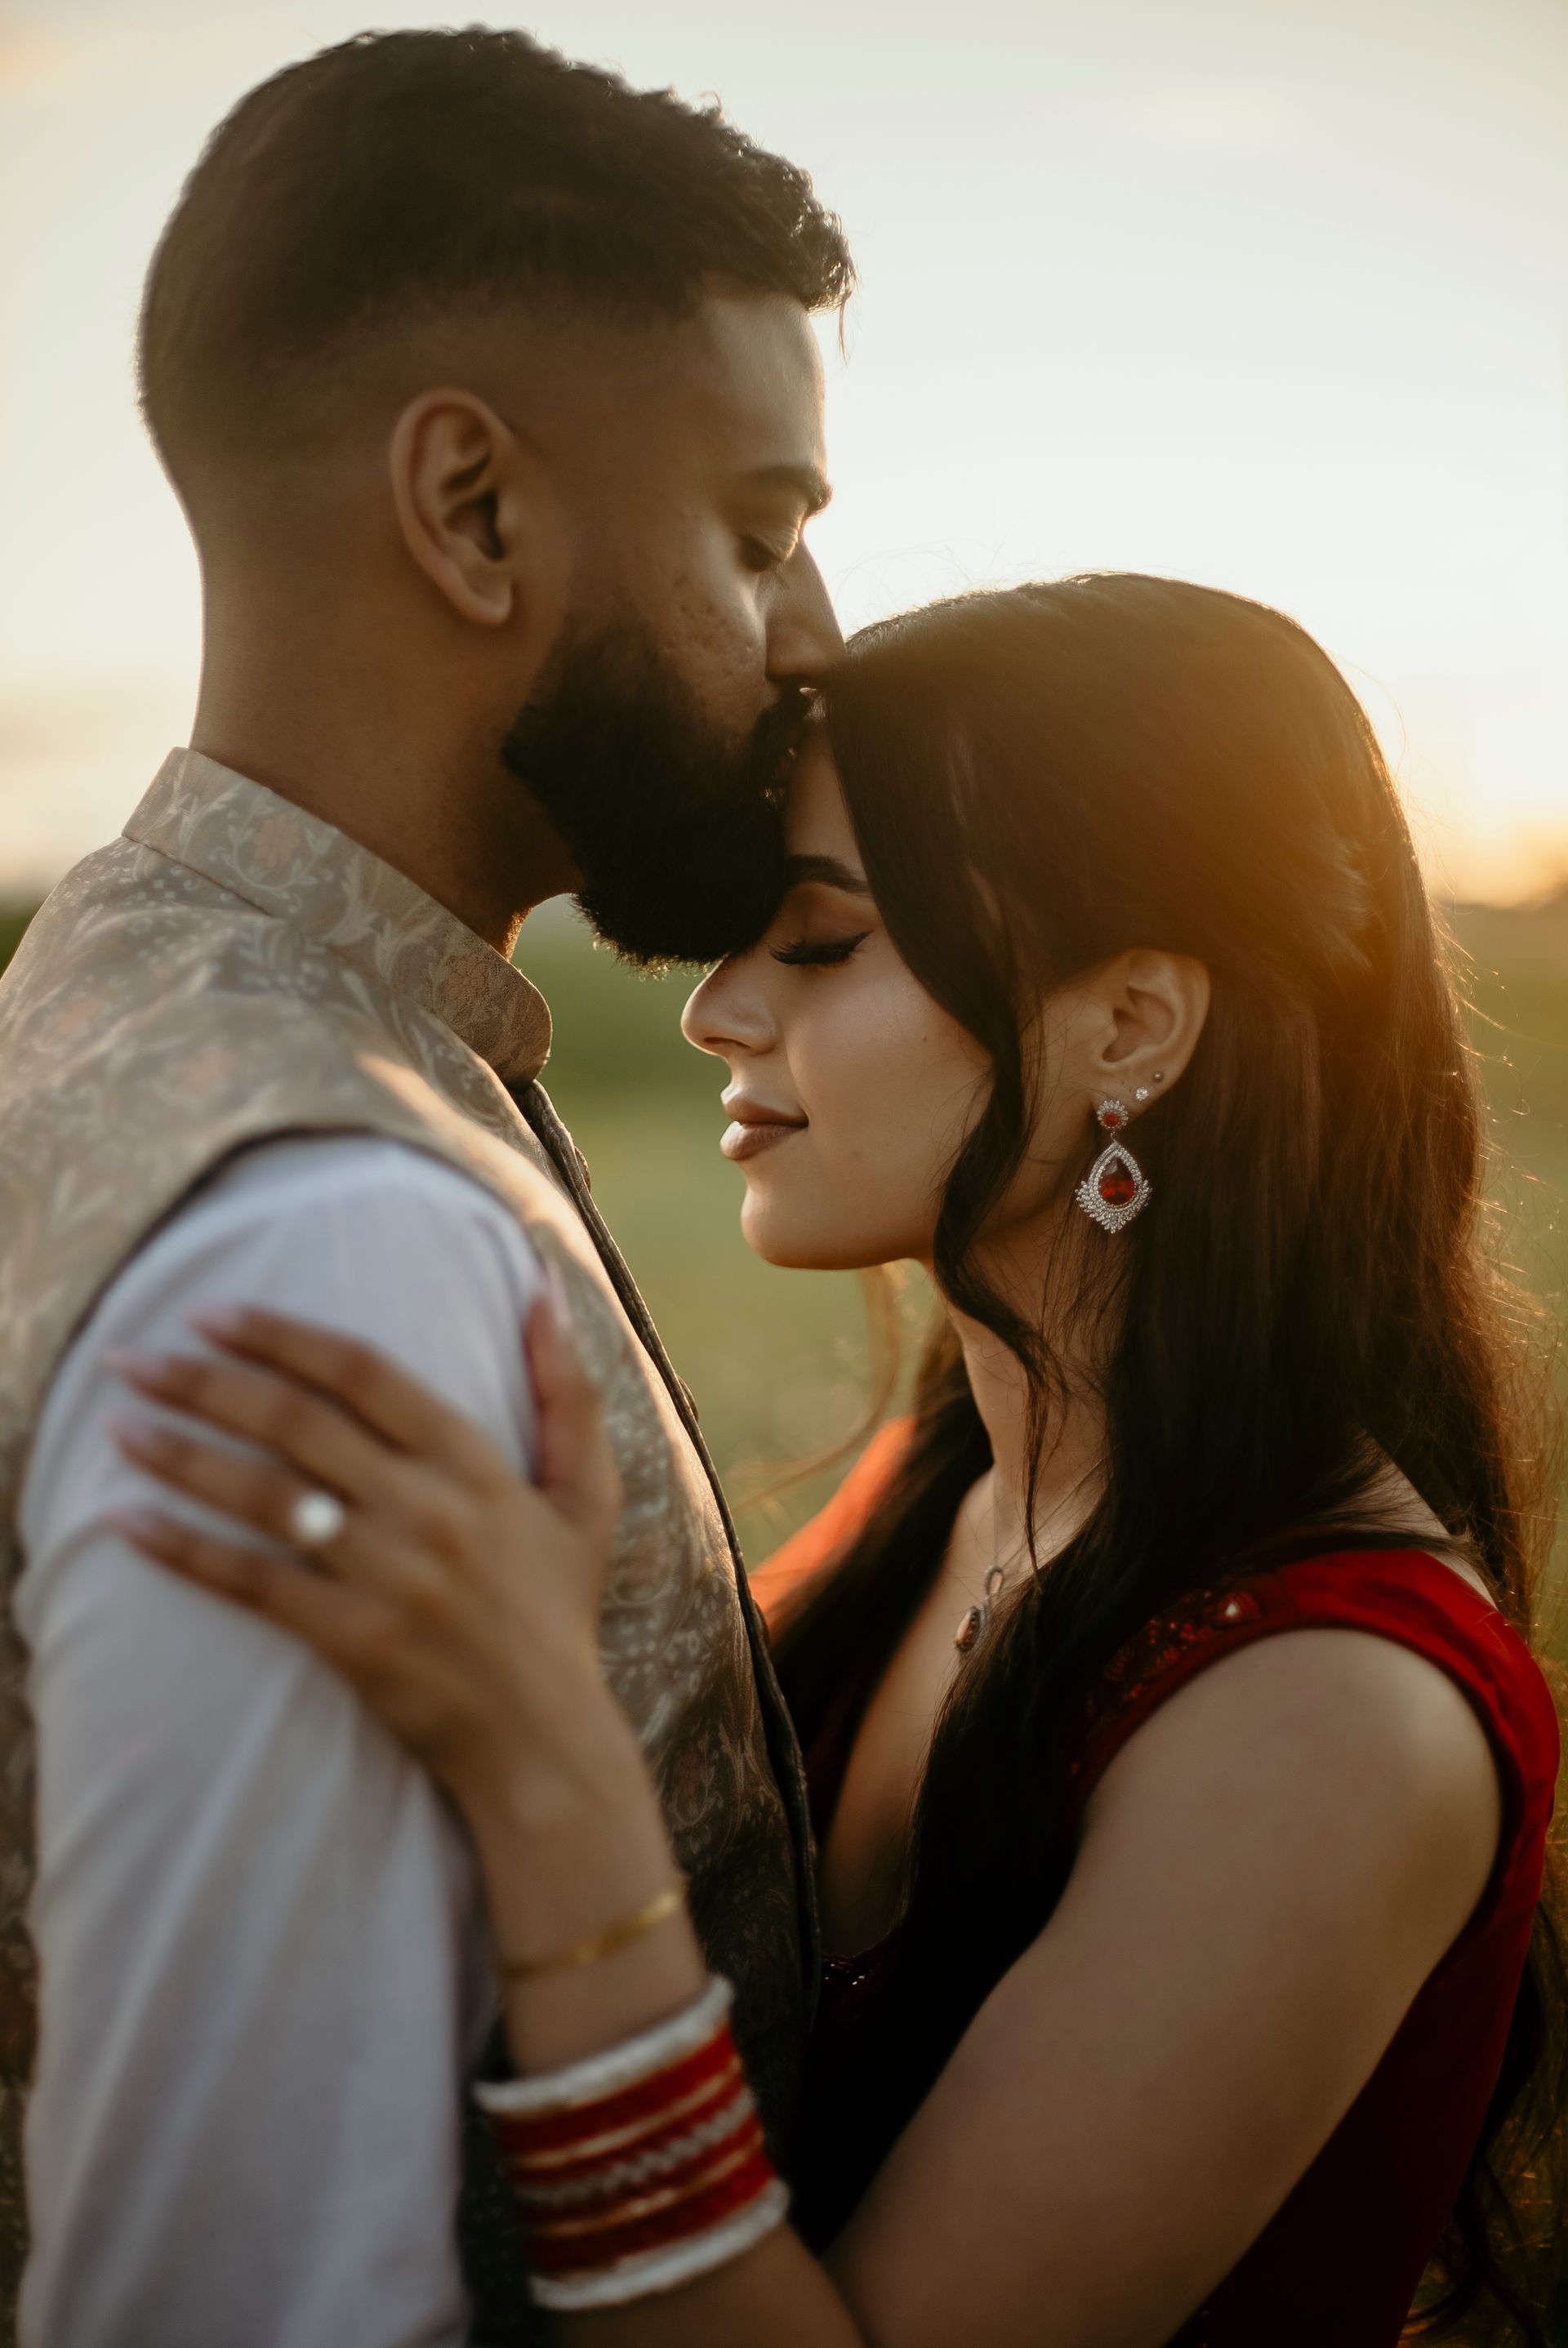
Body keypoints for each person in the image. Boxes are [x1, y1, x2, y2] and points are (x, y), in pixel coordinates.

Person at [114, 577, 1566, 2347]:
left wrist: (544, 1766)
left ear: (1133, 1026)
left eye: (817, 944)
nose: (721, 1012)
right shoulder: (959, 1490)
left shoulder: (1331, 1705)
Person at [0, 26, 850, 2346]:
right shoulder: (333, 1242)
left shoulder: (122, 969)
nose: (815, 643)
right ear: (473, 506)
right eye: (764, 532)